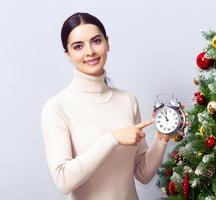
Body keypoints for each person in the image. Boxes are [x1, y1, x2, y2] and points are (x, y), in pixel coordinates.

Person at [41, 12, 180, 200]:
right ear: (68, 54)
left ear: (107, 43)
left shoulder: (127, 100)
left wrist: (162, 138)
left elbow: (143, 173)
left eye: (96, 41)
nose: (90, 51)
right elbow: (63, 181)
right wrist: (112, 139)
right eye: (78, 46)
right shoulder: (57, 107)